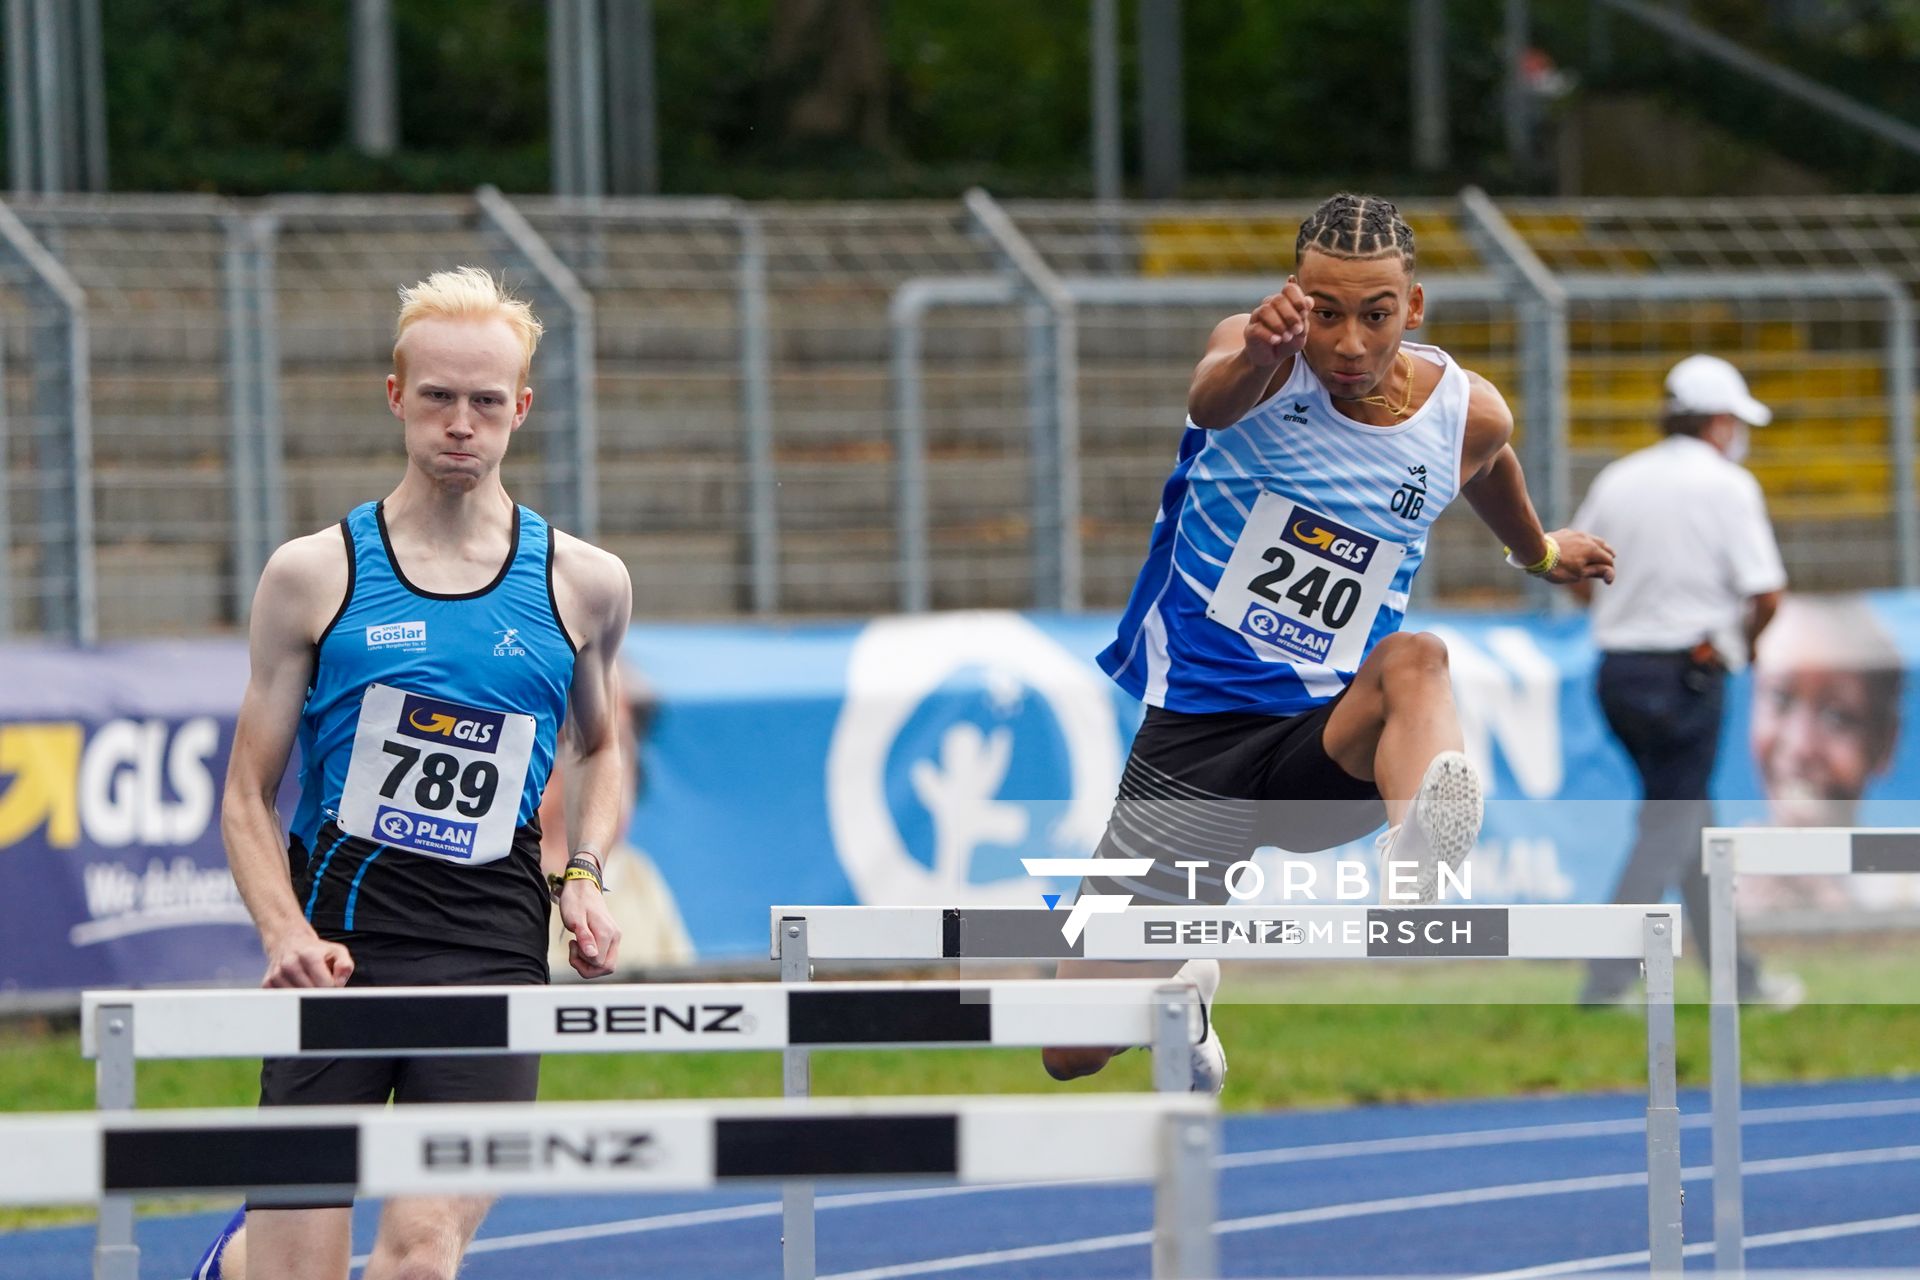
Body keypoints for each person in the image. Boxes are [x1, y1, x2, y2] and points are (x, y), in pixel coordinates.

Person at [1044, 193, 1615, 1092]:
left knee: (1417, 659)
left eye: (1376, 315)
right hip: (1198, 735)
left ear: (1413, 307)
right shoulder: (1259, 357)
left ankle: (1421, 859)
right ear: (1294, 297)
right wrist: (1265, 352)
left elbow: (1490, 462)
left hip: (1333, 737)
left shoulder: (1468, 411)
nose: (1348, 344)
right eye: (1326, 312)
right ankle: (1181, 1004)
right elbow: (1211, 399)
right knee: (1068, 1048)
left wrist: (1538, 552)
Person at [193, 266, 633, 1280]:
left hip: (489, 949)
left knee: (419, 1256)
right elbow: (246, 793)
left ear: (520, 409)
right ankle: (251, 1254)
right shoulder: (314, 573)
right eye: (438, 396)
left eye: (487, 401)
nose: (461, 424)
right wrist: (284, 931)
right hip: (338, 946)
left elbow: (602, 745)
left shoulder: (583, 581)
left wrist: (584, 877)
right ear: (397, 395)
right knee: (298, 1270)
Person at [1569, 353, 1792, 1005]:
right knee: (1670, 824)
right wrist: (1736, 650)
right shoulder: (1728, 486)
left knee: (1687, 820)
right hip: (1688, 673)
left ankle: (1736, 978)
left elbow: (1576, 571)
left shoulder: (1619, 477)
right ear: (1720, 422)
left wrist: (1612, 615)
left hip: (1617, 672)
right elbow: (1768, 594)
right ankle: (1606, 976)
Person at [1745, 594, 1906, 914]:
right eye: (1780, 699)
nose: (1801, 746)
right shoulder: (1721, 871)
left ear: (1885, 742)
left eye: (1838, 717)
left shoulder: (1903, 890)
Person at [538, 663, 695, 973]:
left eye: (622, 745)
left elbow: (686, 992)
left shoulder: (638, 877)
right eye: (564, 743)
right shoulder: (501, 878)